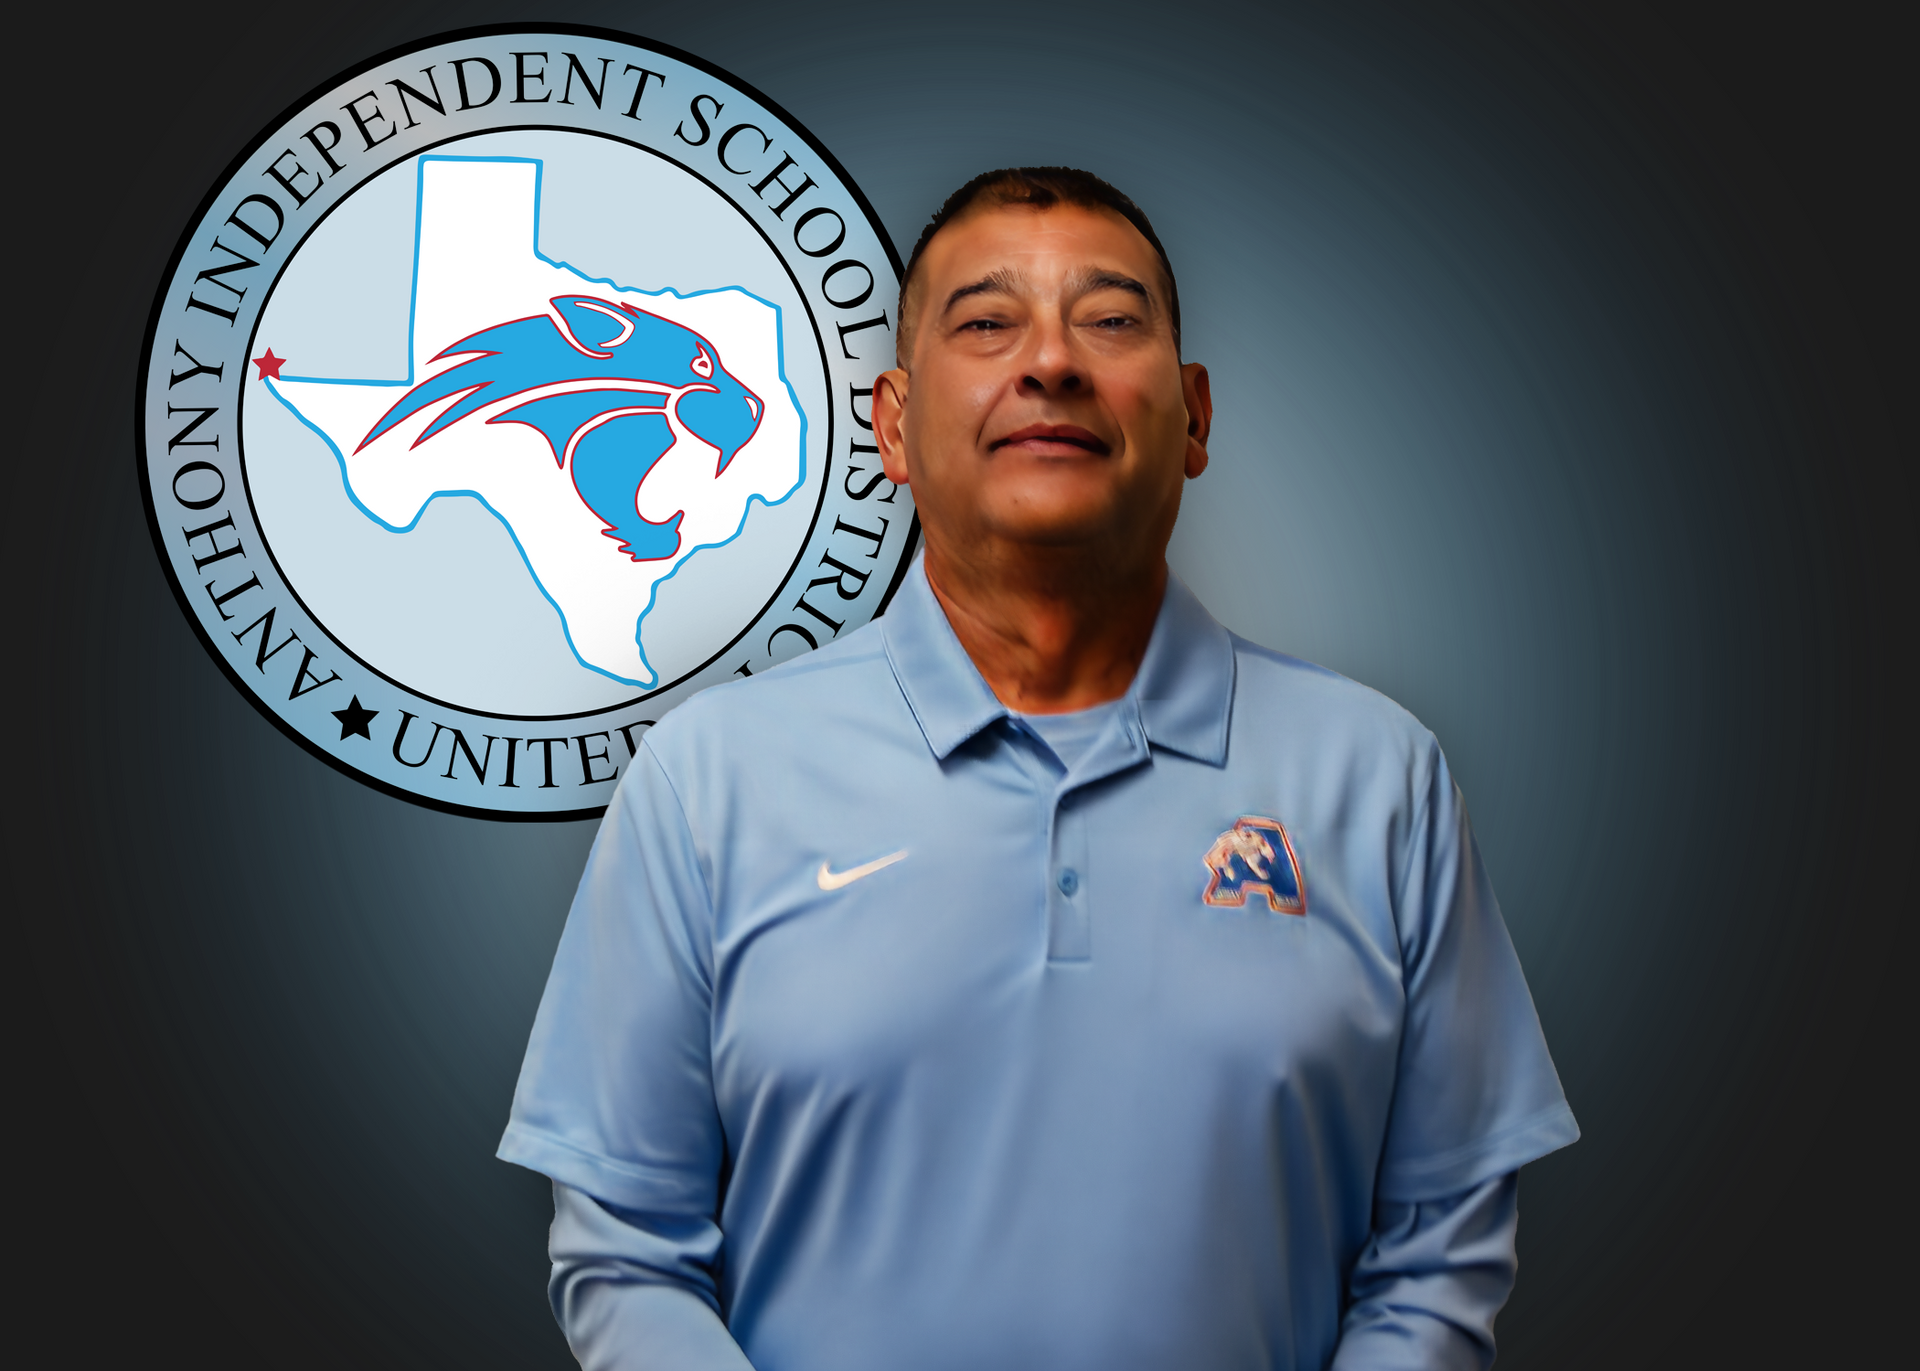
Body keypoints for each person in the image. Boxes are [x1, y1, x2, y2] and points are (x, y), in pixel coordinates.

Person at [499, 167, 1578, 1371]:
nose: (1052, 361)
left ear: (1196, 415)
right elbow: (627, 1253)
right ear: (894, 427)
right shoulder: (709, 781)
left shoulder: (1380, 781)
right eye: (987, 322)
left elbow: (1435, 1253)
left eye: (1111, 320)